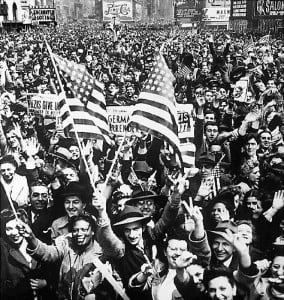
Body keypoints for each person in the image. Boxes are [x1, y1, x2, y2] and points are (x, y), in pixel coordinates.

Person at [17, 213, 117, 300]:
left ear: (93, 232)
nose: (79, 234)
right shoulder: (66, 245)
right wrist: (31, 238)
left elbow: (114, 289)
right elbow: (48, 253)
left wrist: (97, 297)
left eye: (84, 230)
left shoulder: (103, 254)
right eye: (75, 230)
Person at [128, 206, 211, 300]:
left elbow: (202, 253)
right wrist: (143, 275)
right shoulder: (158, 272)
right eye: (173, 249)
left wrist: (199, 223)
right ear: (164, 251)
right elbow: (133, 291)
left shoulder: (193, 273)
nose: (178, 253)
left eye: (182, 250)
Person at [0, 209, 55, 300]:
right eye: (9, 229)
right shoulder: (3, 248)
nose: (13, 233)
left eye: (18, 228)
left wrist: (46, 282)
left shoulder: (39, 245)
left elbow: (55, 272)